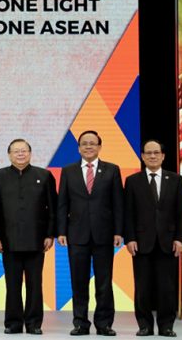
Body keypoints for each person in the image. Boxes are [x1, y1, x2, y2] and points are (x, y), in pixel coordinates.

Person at [57, 130, 123, 336]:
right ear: (78, 148)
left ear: (100, 147)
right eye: (84, 144)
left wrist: (118, 231)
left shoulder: (112, 170)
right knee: (78, 281)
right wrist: (61, 231)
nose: (88, 147)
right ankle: (80, 323)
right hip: (76, 235)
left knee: (104, 282)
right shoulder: (68, 171)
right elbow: (62, 204)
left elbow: (118, 204)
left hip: (104, 235)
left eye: (92, 144)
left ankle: (104, 324)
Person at [0, 139, 56, 335]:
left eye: (24, 151)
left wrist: (50, 234)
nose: (20, 154)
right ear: (9, 154)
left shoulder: (44, 176)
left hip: (37, 240)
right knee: (12, 284)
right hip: (8, 241)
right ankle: (13, 323)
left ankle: (34, 323)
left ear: (30, 153)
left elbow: (52, 209)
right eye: (16, 151)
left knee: (35, 284)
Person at [124, 140, 182, 337]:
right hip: (141, 243)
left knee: (167, 287)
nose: (152, 156)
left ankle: (166, 326)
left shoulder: (175, 179)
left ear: (163, 156)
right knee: (142, 287)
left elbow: (181, 212)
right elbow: (129, 213)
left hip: (168, 242)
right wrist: (130, 238)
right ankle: (144, 325)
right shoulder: (133, 181)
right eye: (148, 153)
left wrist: (180, 239)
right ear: (142, 156)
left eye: (156, 153)